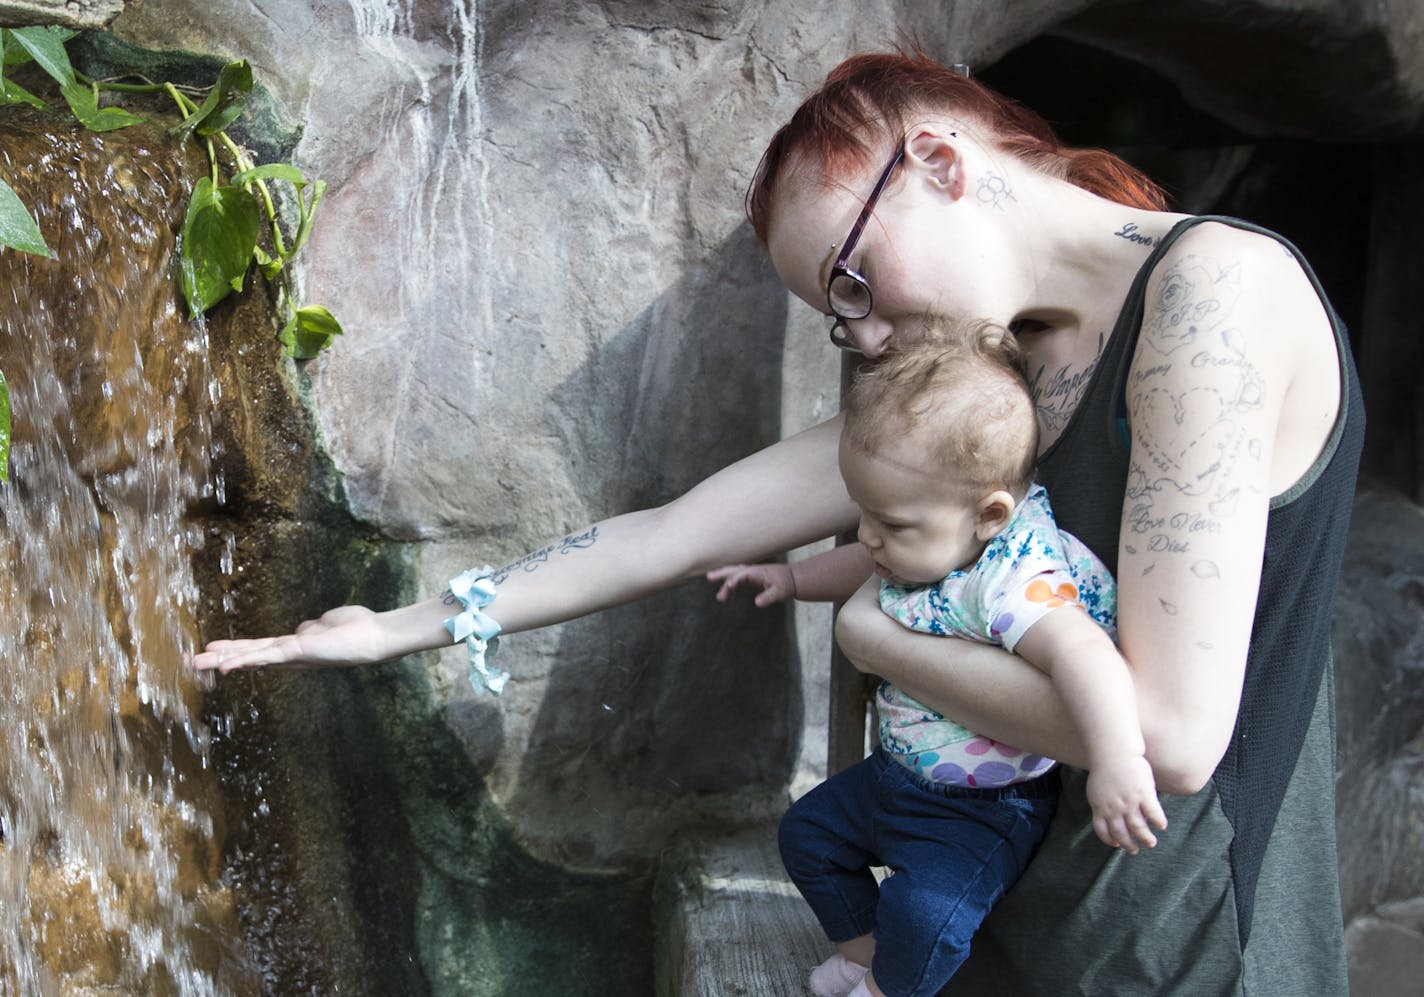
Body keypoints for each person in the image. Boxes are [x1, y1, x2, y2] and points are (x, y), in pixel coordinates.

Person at [193, 49, 1362, 995]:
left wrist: (881, 643)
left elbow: (1165, 739)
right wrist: (395, 628)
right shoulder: (997, 367)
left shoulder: (1215, 293)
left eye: (850, 284)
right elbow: (675, 530)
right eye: (831, 317)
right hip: (992, 934)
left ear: (941, 165)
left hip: (1187, 960)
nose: (858, 338)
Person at [707, 327, 1166, 997]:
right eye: (864, 512)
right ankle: (871, 958)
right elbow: (864, 560)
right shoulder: (932, 535)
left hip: (980, 811)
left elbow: (1086, 654)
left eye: (889, 524)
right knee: (807, 836)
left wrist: (1119, 759)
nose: (868, 536)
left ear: (989, 513)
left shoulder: (1015, 579)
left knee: (926, 914)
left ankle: (891, 987)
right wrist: (795, 579)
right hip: (895, 775)